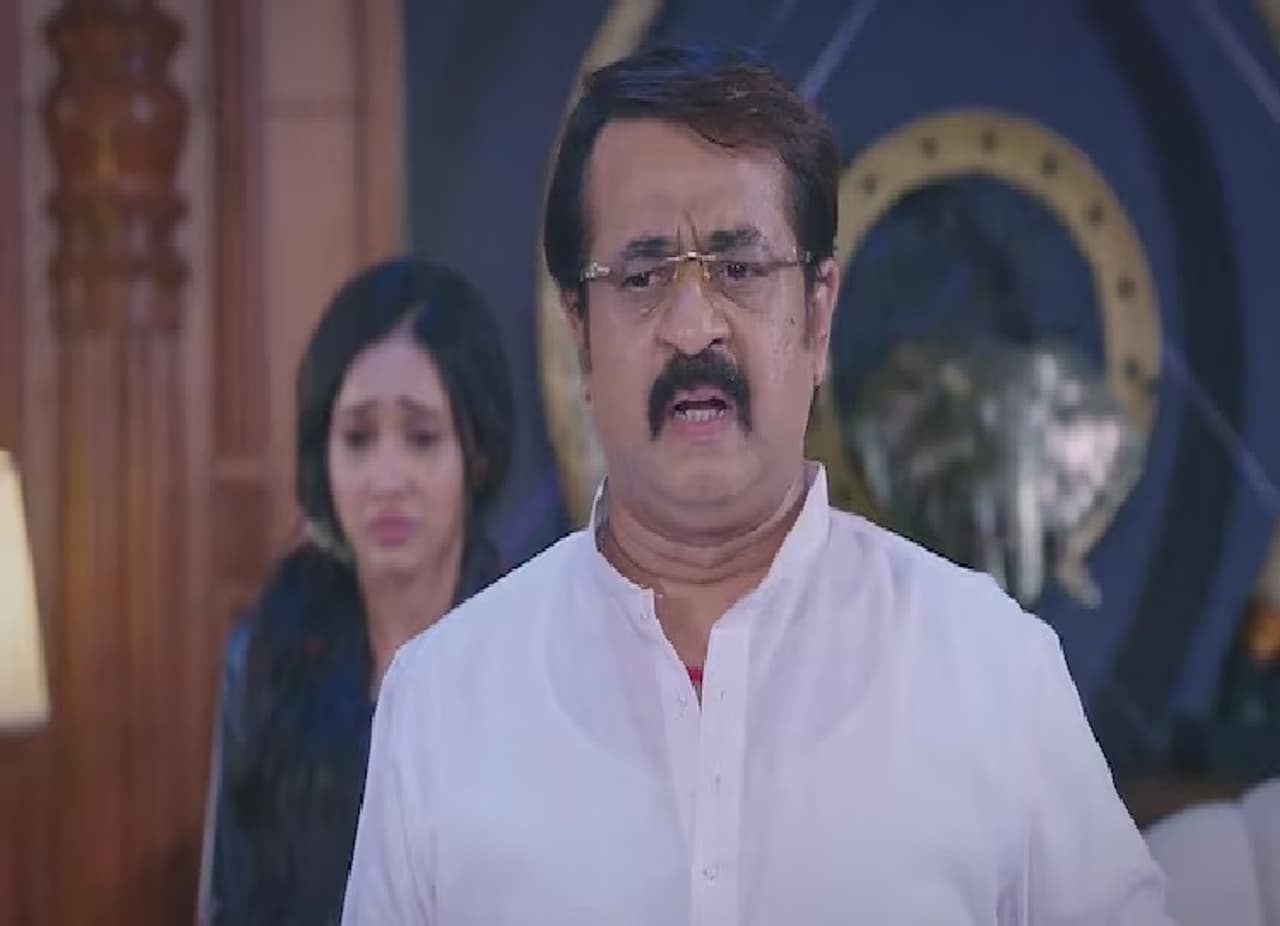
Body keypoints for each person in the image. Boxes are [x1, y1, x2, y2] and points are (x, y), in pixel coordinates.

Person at [342, 47, 1173, 924]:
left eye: (739, 270)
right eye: (642, 277)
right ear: (580, 333)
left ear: (818, 315)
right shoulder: (442, 702)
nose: (693, 326)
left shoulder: (993, 670)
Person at [197, 256, 514, 926]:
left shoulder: (529, 655)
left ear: (477, 455)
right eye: (358, 439)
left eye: (421, 438)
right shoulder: (266, 656)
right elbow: (228, 899)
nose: (386, 479)